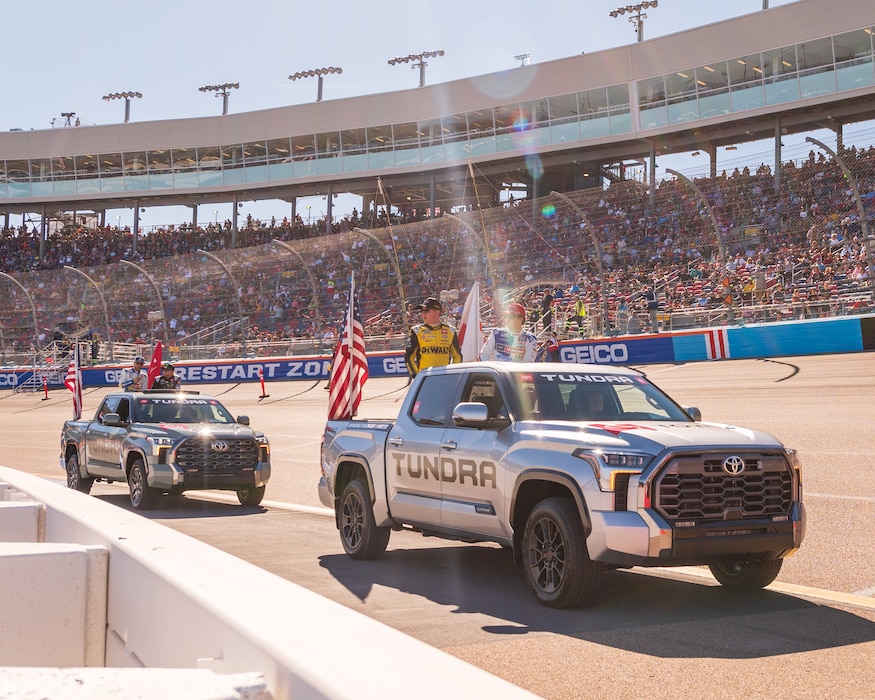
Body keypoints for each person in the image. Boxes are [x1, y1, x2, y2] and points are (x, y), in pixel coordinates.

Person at [404, 297, 462, 378]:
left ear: (437, 312)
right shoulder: (417, 331)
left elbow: (457, 356)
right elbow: (409, 357)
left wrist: (453, 374)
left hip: (444, 378)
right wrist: (417, 377)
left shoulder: (450, 331)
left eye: (426, 311)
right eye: (421, 311)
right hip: (426, 379)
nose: (423, 314)